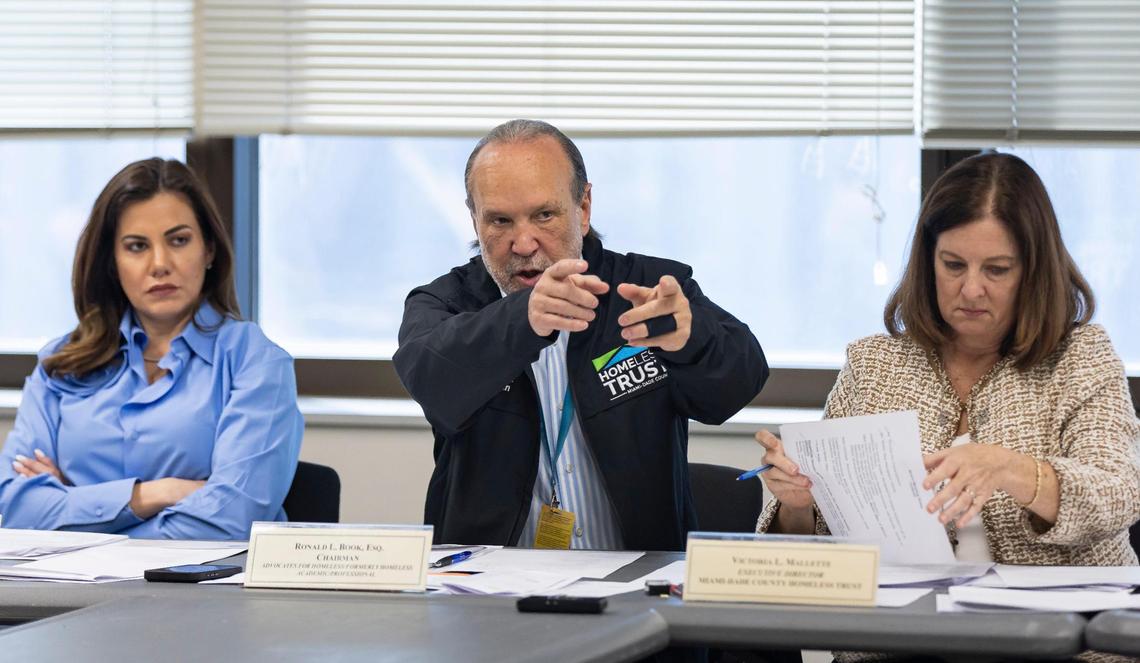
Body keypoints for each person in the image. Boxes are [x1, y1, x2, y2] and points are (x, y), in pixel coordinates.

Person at [394, 119, 767, 551]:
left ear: (584, 208)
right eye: (500, 220)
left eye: (544, 215)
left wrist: (691, 339)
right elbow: (430, 379)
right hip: (489, 578)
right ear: (474, 218)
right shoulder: (443, 303)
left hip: (635, 574)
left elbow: (739, 384)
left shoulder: (647, 289)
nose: (523, 244)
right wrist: (522, 319)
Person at [755, 152, 1140, 571]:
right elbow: (816, 543)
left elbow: (1119, 495)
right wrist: (796, 505)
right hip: (903, 611)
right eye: (953, 265)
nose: (971, 289)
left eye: (996, 270)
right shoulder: (873, 365)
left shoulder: (1081, 357)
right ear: (928, 262)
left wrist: (1012, 469)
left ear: (1033, 272)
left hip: (1062, 611)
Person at [0, 158, 304, 539]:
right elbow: (15, 506)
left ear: (209, 249)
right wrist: (158, 493)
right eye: (137, 246)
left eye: (179, 240)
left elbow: (232, 520)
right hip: (66, 580)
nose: (160, 264)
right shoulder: (60, 364)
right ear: (112, 262)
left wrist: (77, 511)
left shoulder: (254, 361)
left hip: (199, 580)